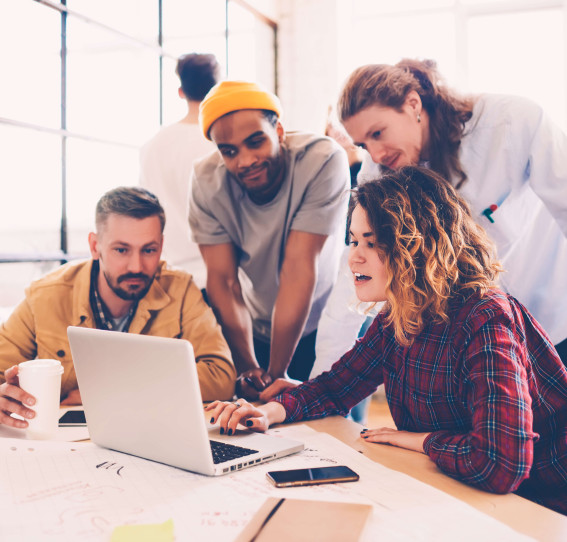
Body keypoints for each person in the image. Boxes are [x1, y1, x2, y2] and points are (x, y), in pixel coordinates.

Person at [206, 167, 567, 516]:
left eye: (372, 243)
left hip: (541, 506)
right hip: (464, 495)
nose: (355, 257)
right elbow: (335, 388)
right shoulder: (399, 314)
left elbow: (502, 463)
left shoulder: (486, 317)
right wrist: (267, 413)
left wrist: (418, 440)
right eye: (353, 241)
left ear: (420, 246)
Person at [316, 58, 567, 367]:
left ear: (412, 105)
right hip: (475, 338)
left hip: (552, 315)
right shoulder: (381, 169)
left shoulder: (513, 122)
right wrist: (320, 378)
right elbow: (354, 267)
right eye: (363, 145)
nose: (376, 153)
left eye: (378, 133)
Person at [0, 186, 236, 429]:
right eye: (121, 250)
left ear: (161, 245)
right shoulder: (45, 295)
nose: (136, 266)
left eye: (149, 250)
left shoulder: (181, 289)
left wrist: (107, 393)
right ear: (95, 246)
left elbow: (221, 376)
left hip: (147, 437)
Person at [189, 80, 350, 400]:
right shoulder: (207, 181)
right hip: (256, 324)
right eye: (229, 151)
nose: (245, 160)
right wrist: (249, 366)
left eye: (255, 142)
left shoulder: (322, 160)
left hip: (324, 323)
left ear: (279, 133)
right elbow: (223, 280)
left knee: (334, 427)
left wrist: (277, 374)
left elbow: (298, 268)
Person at [139, 53, 221, 288]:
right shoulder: (225, 144)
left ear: (180, 92)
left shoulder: (151, 147)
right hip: (218, 277)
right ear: (216, 89)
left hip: (166, 276)